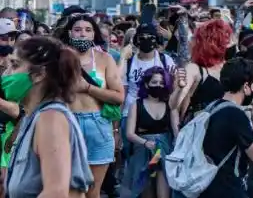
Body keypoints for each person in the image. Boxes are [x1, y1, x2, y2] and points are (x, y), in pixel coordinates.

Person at [5, 36, 95, 198]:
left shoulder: (51, 118)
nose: (7, 73)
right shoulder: (35, 116)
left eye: (15, 65)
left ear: (39, 75)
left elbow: (56, 193)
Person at [60, 13, 125, 198]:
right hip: (67, 123)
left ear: (94, 34)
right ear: (70, 33)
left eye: (88, 30)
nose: (83, 34)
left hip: (98, 124)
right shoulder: (59, 59)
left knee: (92, 190)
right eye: (78, 30)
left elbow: (119, 96)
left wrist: (87, 88)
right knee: (69, 188)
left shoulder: (105, 59)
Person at [196, 57, 253, 198]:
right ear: (246, 87)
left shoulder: (212, 107)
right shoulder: (235, 115)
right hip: (229, 188)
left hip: (207, 186)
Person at [122, 66, 178, 198]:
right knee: (145, 189)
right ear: (147, 84)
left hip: (162, 152)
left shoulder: (169, 104)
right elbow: (129, 133)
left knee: (163, 192)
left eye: (161, 83)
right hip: (143, 153)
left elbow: (176, 130)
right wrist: (145, 142)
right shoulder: (136, 104)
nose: (158, 85)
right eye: (154, 82)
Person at [172, 19, 229, 122]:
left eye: (194, 38)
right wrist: (179, 88)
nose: (191, 42)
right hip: (200, 131)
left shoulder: (231, 67)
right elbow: (174, 106)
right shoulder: (193, 69)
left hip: (222, 129)